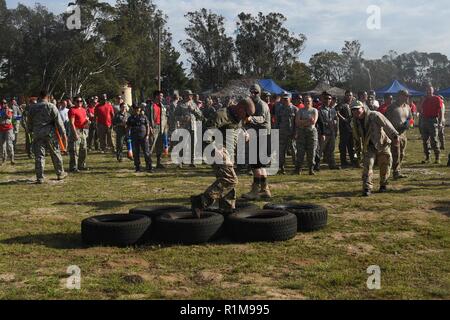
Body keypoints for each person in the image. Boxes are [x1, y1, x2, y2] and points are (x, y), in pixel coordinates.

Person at [190, 98, 256, 217]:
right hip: (216, 149)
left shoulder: (239, 117)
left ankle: (227, 210)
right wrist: (214, 148)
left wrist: (244, 133)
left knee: (227, 180)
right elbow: (206, 132)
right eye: (247, 114)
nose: (247, 118)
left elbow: (237, 127)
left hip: (228, 151)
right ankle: (200, 201)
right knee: (230, 179)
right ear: (240, 108)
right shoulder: (222, 114)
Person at [351, 100, 400, 196]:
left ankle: (383, 185)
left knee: (385, 165)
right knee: (367, 166)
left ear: (363, 108)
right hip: (369, 146)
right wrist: (357, 152)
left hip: (383, 144)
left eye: (358, 109)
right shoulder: (354, 121)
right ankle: (367, 188)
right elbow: (356, 137)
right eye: (353, 110)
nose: (356, 111)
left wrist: (394, 136)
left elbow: (386, 124)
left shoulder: (374, 115)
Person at [27, 90, 68, 184]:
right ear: (47, 96)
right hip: (50, 134)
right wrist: (63, 133)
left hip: (37, 133)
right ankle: (60, 173)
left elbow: (29, 121)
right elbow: (58, 121)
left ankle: (40, 177)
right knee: (55, 153)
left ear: (39, 96)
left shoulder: (32, 108)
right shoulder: (50, 106)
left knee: (39, 156)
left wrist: (30, 130)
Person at [242, 83, 272, 200]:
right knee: (260, 166)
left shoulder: (262, 104)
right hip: (258, 135)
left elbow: (262, 118)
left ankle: (255, 191)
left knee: (255, 165)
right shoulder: (252, 103)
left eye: (256, 92)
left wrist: (250, 118)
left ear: (259, 93)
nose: (253, 94)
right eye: (252, 92)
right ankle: (265, 190)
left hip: (262, 136)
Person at [385, 90, 413, 179]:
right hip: (394, 134)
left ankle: (397, 170)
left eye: (407, 96)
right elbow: (386, 121)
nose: (407, 97)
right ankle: (395, 172)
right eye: (405, 96)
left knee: (402, 153)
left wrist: (409, 124)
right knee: (395, 153)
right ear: (400, 96)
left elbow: (411, 119)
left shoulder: (407, 107)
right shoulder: (391, 107)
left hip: (403, 133)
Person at [174, 90, 203, 168]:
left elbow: (200, 115)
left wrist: (193, 110)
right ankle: (180, 162)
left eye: (191, 95)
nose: (190, 97)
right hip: (184, 127)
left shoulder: (194, 104)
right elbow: (175, 115)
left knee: (193, 144)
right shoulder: (180, 105)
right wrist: (182, 118)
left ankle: (192, 161)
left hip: (193, 127)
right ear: (185, 96)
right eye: (188, 95)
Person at [418, 86, 443, 164]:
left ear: (433, 90)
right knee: (425, 140)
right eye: (427, 90)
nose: (428, 91)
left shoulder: (437, 99)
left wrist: (440, 122)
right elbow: (419, 109)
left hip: (433, 120)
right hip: (424, 120)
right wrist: (421, 101)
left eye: (430, 90)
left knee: (434, 140)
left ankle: (437, 157)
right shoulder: (424, 99)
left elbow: (441, 111)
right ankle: (427, 157)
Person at [294, 95, 318, 175]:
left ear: (311, 102)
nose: (307, 102)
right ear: (303, 102)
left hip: (311, 132)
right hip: (301, 132)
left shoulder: (314, 110)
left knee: (311, 151)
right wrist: (308, 120)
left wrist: (302, 121)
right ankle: (298, 169)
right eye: (306, 101)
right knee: (300, 151)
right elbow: (297, 122)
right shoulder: (300, 111)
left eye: (309, 101)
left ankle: (311, 169)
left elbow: (313, 122)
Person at [274, 92, 297, 174]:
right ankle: (281, 167)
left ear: (290, 99)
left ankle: (297, 167)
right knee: (281, 151)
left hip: (291, 133)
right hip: (282, 133)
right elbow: (277, 121)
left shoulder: (295, 109)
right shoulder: (279, 109)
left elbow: (296, 123)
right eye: (283, 99)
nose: (285, 100)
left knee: (294, 150)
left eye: (286, 99)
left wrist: (296, 132)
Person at [317, 91, 340, 170]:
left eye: (329, 99)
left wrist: (336, 130)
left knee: (331, 149)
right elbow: (320, 123)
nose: (327, 100)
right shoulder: (319, 110)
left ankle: (332, 164)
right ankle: (316, 165)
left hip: (332, 133)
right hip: (323, 133)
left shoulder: (333, 110)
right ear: (322, 99)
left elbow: (335, 120)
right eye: (326, 98)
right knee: (320, 150)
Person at [126, 103, 152, 172]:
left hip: (143, 137)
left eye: (138, 109)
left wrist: (147, 135)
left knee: (146, 152)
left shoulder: (144, 117)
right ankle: (137, 167)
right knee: (136, 153)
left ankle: (149, 166)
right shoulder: (130, 118)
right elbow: (128, 127)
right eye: (136, 109)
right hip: (134, 137)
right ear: (133, 109)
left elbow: (147, 126)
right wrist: (128, 136)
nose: (137, 110)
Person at [336, 90, 357, 168]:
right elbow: (337, 112)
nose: (349, 97)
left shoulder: (353, 104)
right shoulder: (342, 104)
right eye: (347, 95)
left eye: (350, 95)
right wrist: (343, 119)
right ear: (345, 96)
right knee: (343, 146)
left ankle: (353, 161)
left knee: (352, 146)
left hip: (352, 128)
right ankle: (343, 162)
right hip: (344, 128)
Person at [146, 90, 167, 169]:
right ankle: (148, 164)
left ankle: (159, 162)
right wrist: (149, 127)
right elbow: (147, 117)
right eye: (160, 96)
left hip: (161, 128)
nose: (162, 97)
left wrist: (165, 127)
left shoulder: (162, 106)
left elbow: (164, 117)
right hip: (153, 127)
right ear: (156, 96)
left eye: (162, 96)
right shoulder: (150, 106)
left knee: (159, 146)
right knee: (151, 146)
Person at [68, 97, 89, 172]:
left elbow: (84, 119)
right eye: (78, 101)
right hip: (75, 130)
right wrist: (75, 134)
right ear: (74, 102)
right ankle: (73, 167)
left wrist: (87, 122)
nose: (80, 102)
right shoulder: (72, 110)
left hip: (83, 130)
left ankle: (81, 165)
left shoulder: (83, 110)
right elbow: (72, 123)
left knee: (83, 149)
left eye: (81, 101)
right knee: (74, 150)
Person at [0, 99, 15, 165]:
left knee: (9, 144)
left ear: (7, 103)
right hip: (1, 129)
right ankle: (3, 159)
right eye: (2, 103)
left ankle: (12, 158)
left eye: (5, 103)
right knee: (2, 145)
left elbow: (9, 117)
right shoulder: (0, 110)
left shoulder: (10, 110)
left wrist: (6, 112)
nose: (3, 104)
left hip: (8, 129)